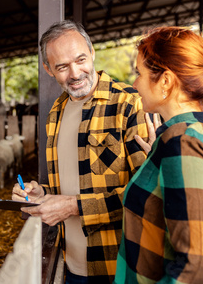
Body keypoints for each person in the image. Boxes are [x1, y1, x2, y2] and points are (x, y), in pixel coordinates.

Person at [12, 20, 152, 283]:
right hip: (70, 264)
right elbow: (71, 181)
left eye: (80, 60)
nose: (75, 73)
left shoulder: (129, 104)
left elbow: (147, 195)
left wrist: (73, 206)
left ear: (93, 53)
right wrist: (43, 194)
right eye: (62, 67)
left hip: (119, 264)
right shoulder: (56, 111)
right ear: (48, 69)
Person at [113, 27, 203, 283]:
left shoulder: (183, 141)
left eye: (139, 73)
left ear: (165, 80)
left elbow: (200, 267)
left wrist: (176, 151)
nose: (135, 83)